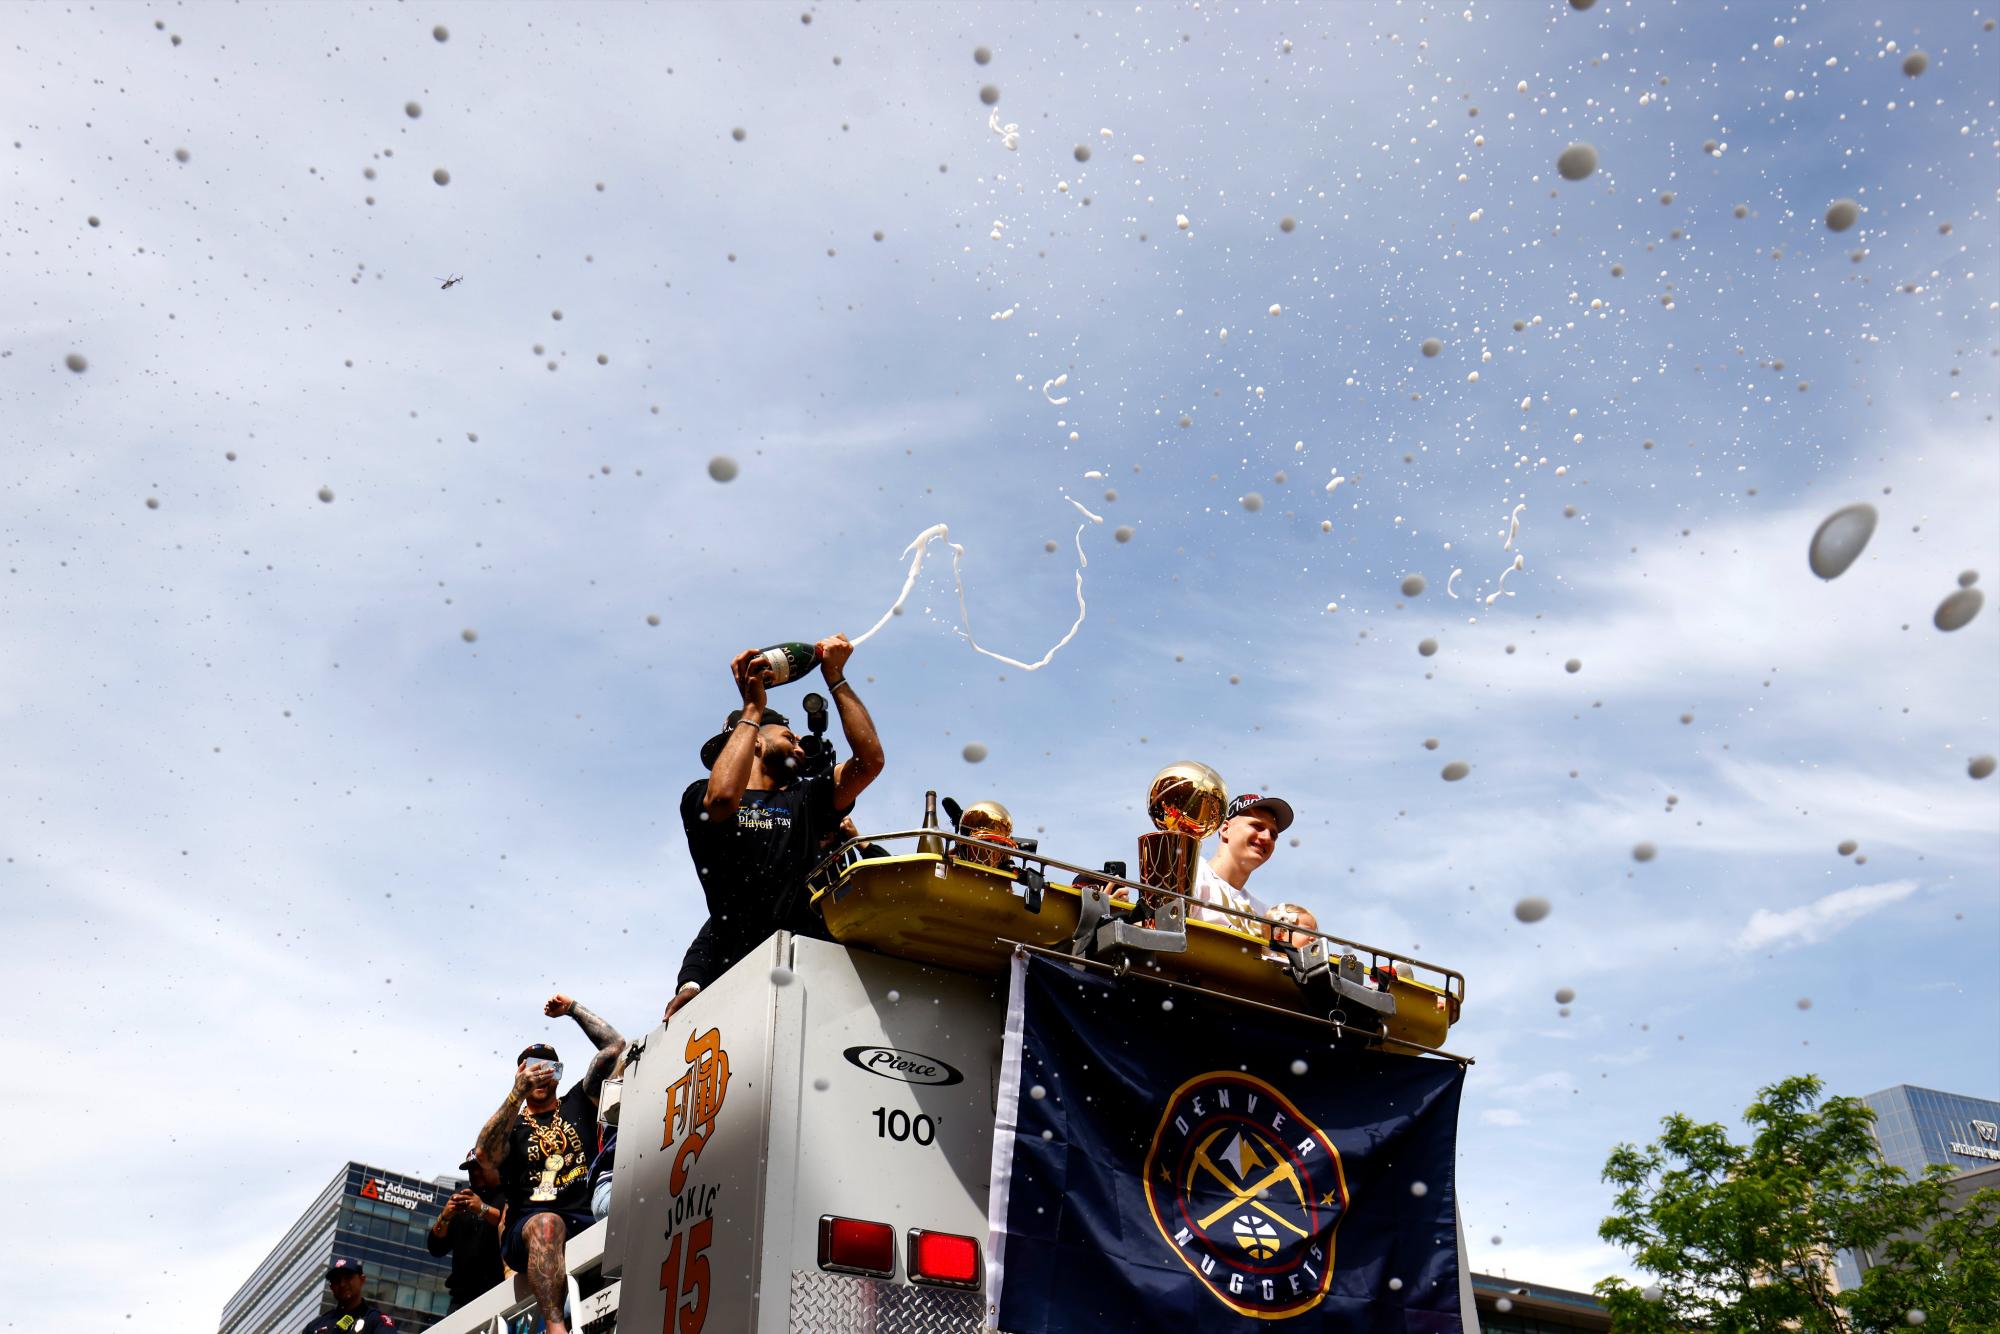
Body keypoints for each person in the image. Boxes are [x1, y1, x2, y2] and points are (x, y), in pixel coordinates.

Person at [664, 635, 884, 1021]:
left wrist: (836, 677)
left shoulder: (805, 800)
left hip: (811, 974)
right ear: (756, 744)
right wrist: (753, 706)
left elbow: (869, 762)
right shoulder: (699, 795)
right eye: (788, 736)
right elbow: (721, 800)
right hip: (739, 982)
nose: (800, 744)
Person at [471, 993, 627, 1334]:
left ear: (559, 1074)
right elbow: (485, 1155)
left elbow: (615, 1046)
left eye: (548, 1068)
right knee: (546, 1224)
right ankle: (556, 1331)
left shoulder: (578, 1101)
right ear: (518, 1075)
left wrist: (572, 1009)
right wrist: (516, 1094)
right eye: (531, 1069)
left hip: (585, 1218)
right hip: (529, 1227)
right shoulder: (511, 1124)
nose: (540, 1076)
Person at [1189, 793, 1294, 933]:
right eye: (1257, 826)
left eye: (1273, 835)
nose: (1267, 837)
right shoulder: (1193, 874)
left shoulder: (1265, 914)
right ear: (1226, 829)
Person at [426, 1150, 505, 1313]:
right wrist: (445, 1216)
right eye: (470, 1169)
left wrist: (481, 1208)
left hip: (499, 1293)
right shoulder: (463, 1201)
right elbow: (435, 1248)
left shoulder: (507, 1195)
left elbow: (509, 1222)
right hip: (462, 1300)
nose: (475, 1173)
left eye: (479, 1167)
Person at [302, 1258, 396, 1332]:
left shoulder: (377, 1321)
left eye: (348, 1278)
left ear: (362, 1280)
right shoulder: (315, 1326)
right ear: (331, 1287)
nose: (342, 1284)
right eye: (337, 1280)